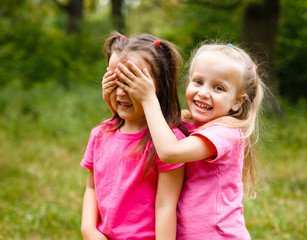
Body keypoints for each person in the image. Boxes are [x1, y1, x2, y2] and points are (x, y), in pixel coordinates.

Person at [111, 42, 265, 239]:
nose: (203, 93)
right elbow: (145, 128)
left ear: (237, 101)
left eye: (218, 88)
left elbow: (170, 152)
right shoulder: (189, 123)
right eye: (198, 82)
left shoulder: (226, 133)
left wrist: (148, 98)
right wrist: (113, 100)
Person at [81, 31, 187, 240]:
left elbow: (166, 205)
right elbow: (91, 188)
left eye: (131, 83)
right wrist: (89, 230)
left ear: (156, 88)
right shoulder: (100, 134)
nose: (120, 93)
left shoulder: (168, 143)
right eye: (115, 80)